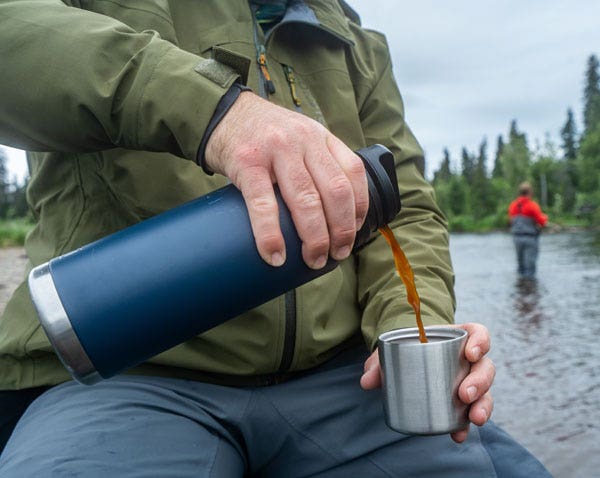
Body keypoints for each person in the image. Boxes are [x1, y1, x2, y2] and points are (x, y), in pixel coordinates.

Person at [0, 1, 550, 476]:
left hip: (347, 379)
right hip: (121, 373)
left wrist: (411, 328)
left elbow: (401, 208)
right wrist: (213, 111)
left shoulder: (351, 39)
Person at [508, 182, 548, 278]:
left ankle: (521, 289)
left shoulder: (512, 205)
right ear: (529, 192)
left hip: (516, 239)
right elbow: (541, 222)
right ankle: (530, 290)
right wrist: (545, 217)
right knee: (530, 268)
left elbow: (510, 221)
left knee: (521, 266)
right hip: (530, 239)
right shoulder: (532, 205)